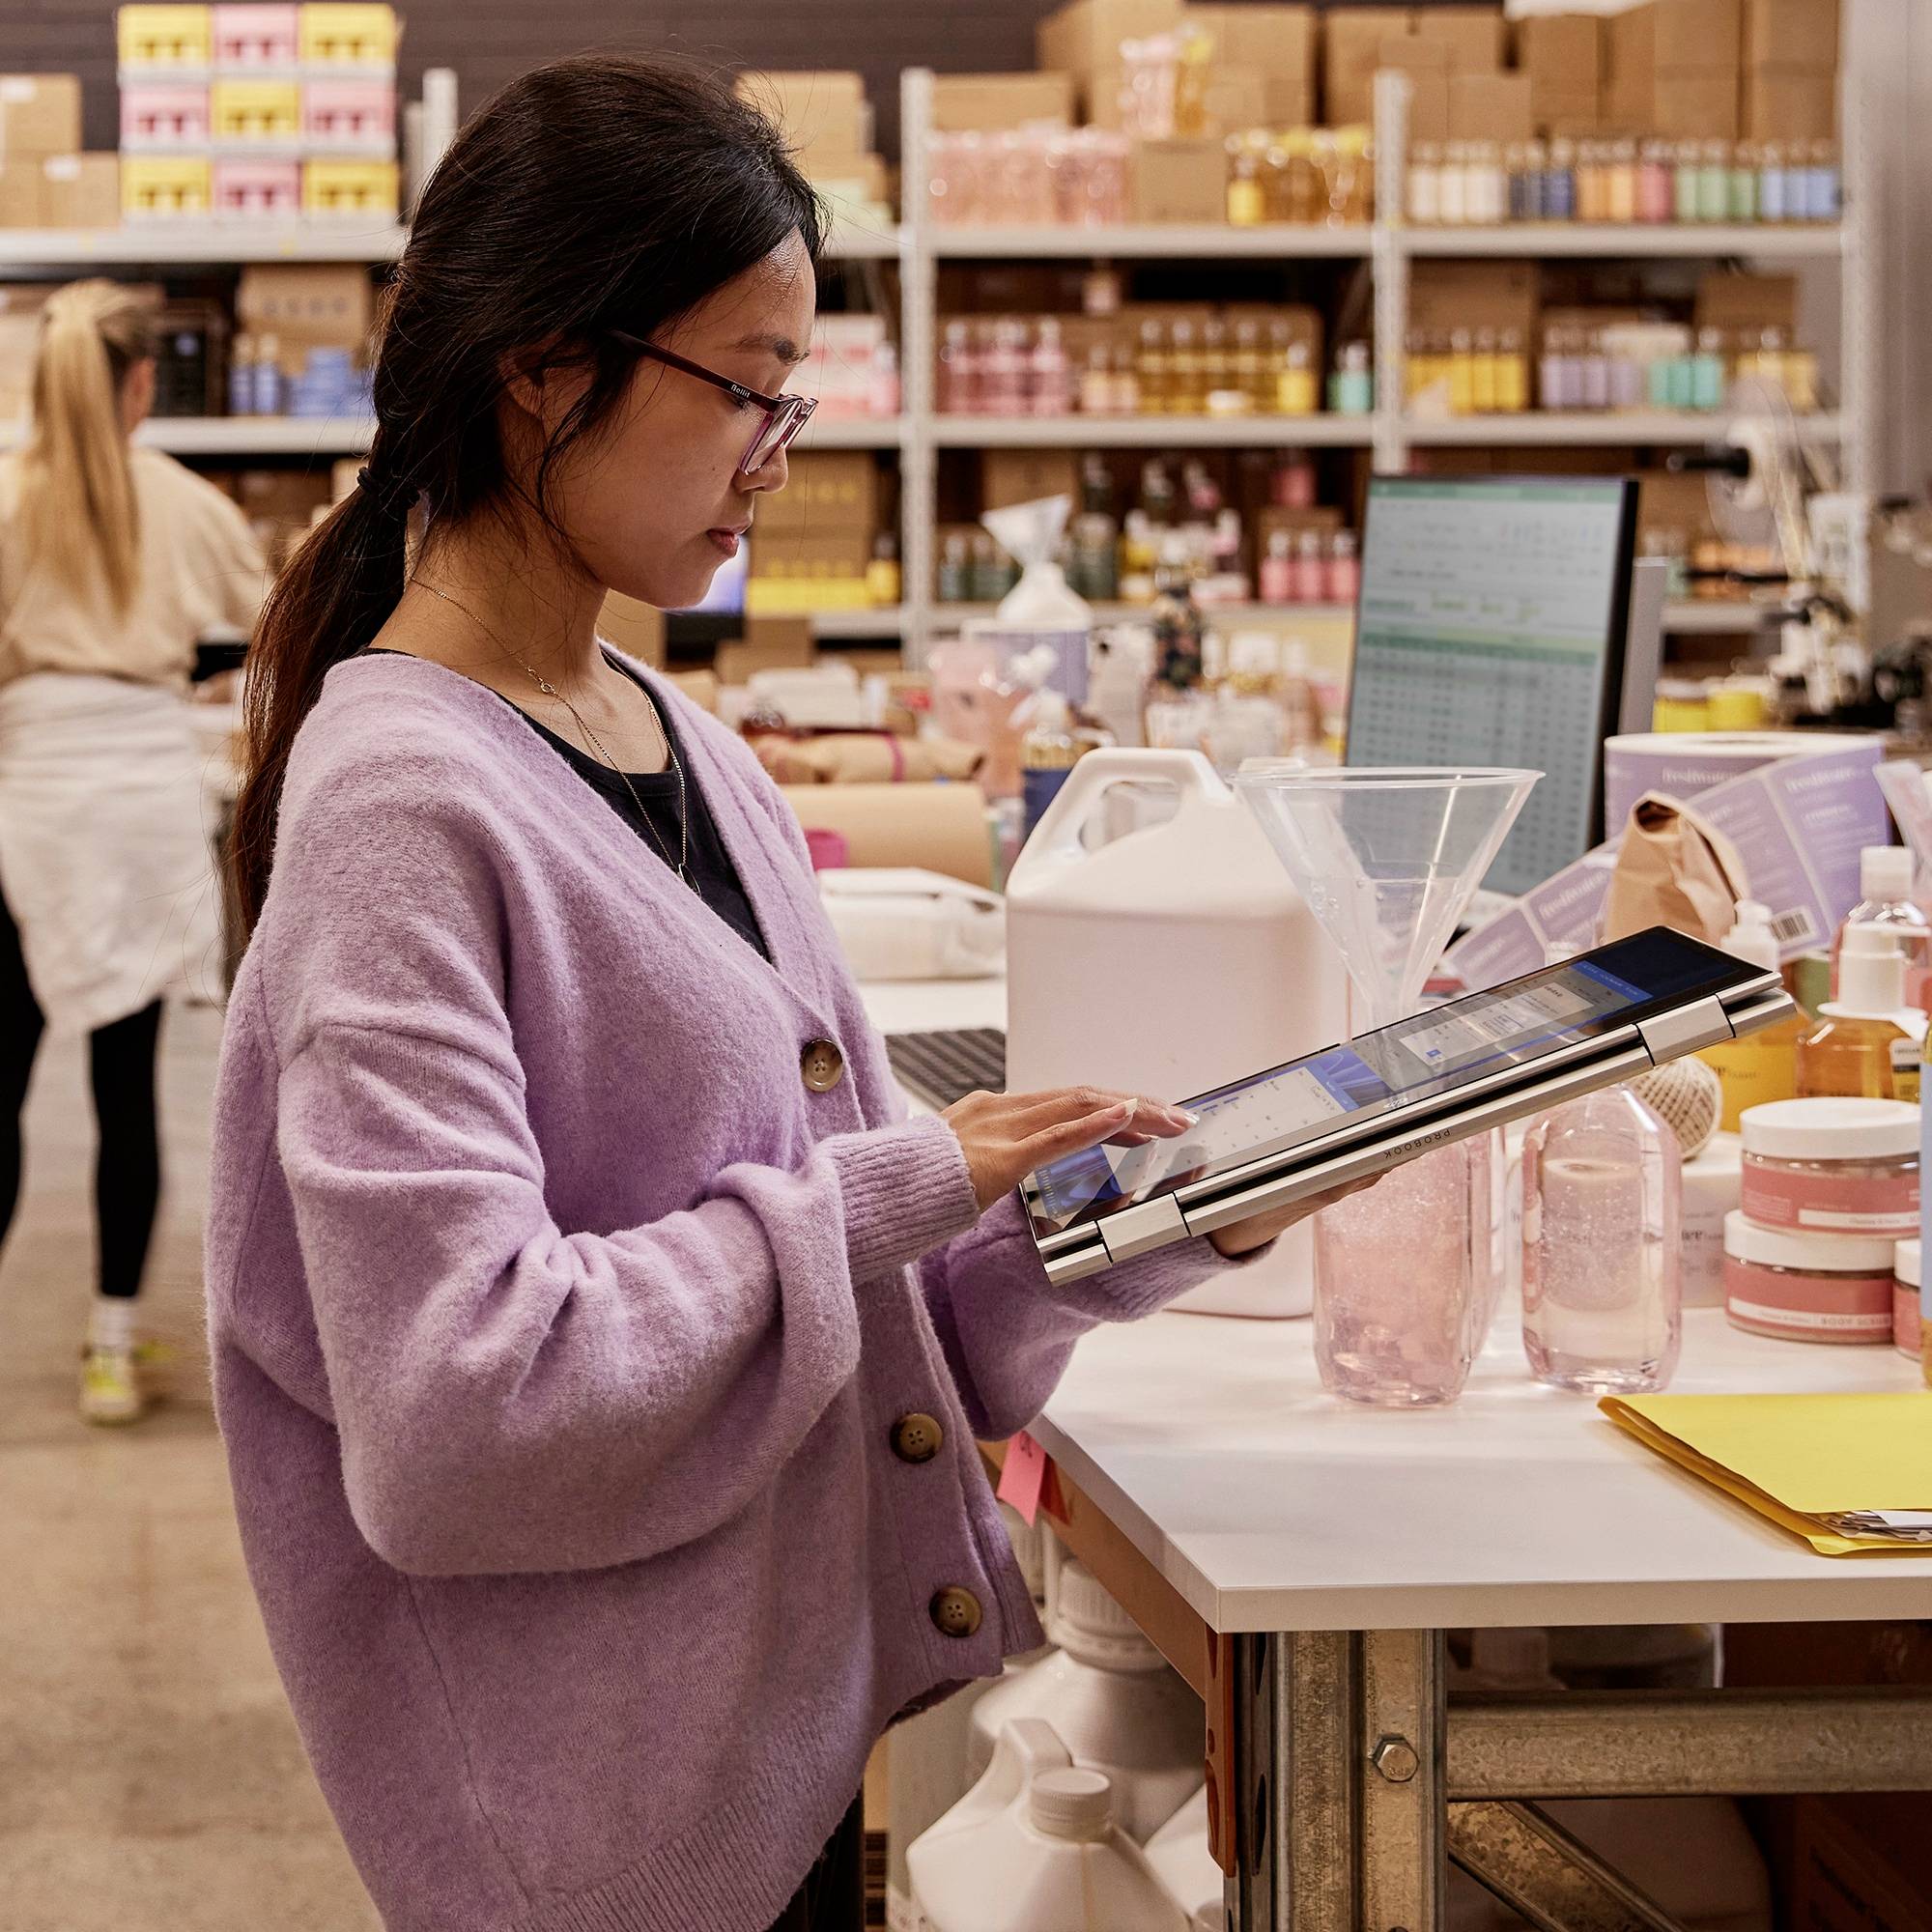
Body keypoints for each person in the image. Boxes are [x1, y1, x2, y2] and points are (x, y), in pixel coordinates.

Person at [207, 56, 1365, 1932]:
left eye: (790, 391)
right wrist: (905, 1180)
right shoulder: (401, 816)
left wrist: (1179, 1203)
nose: (780, 447)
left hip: (761, 1766)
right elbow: (456, 1417)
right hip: (593, 1840)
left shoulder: (686, 746)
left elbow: (859, 1341)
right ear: (544, 369)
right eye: (745, 383)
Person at [0, 280, 265, 1425]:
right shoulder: (188, 502)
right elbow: (264, 624)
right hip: (146, 803)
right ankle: (111, 1348)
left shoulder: (7, 496)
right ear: (142, 383)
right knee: (128, 1092)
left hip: (28, 806)